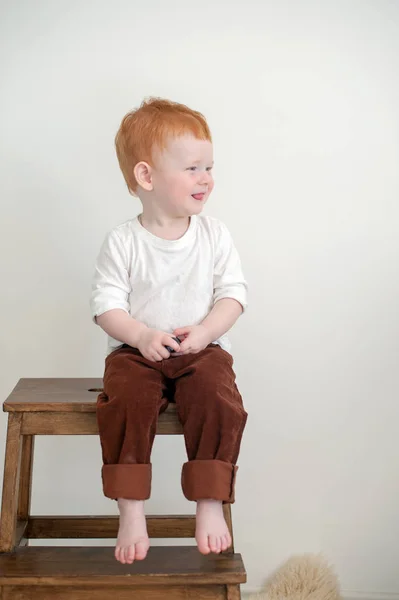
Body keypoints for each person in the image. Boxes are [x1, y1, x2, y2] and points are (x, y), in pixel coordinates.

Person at [90, 97, 248, 565]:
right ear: (147, 177)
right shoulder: (123, 241)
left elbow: (233, 295)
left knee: (219, 399)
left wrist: (204, 332)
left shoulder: (213, 235)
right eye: (194, 168)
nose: (207, 178)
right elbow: (106, 306)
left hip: (201, 349)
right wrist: (139, 335)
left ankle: (209, 502)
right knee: (125, 400)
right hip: (137, 352)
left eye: (209, 167)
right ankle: (131, 507)